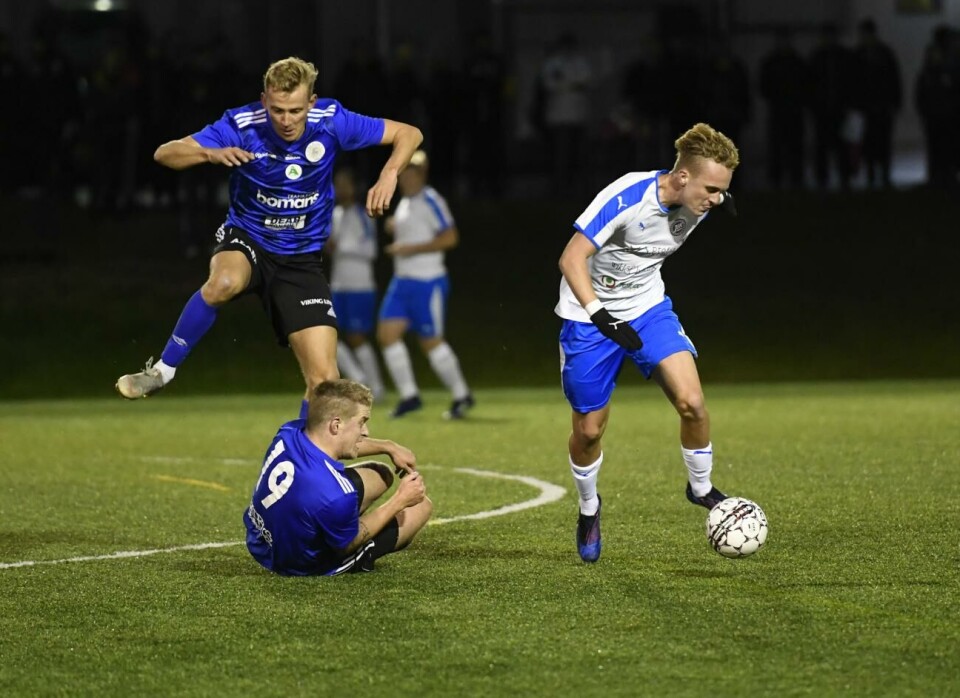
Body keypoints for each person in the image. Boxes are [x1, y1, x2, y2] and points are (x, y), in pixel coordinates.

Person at [115, 57, 423, 421]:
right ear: (264, 101)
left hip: (301, 259)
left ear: (312, 102)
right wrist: (208, 153)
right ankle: (162, 372)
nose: (287, 120)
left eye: (296, 110)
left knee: (325, 382)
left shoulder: (332, 121)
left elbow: (409, 133)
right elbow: (164, 153)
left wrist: (389, 174)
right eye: (277, 110)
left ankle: (302, 461)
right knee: (224, 282)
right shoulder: (241, 124)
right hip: (249, 240)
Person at [555, 122, 739, 563]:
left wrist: (716, 194)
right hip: (588, 316)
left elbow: (706, 194)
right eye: (711, 188)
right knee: (589, 431)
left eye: (723, 191)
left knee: (692, 402)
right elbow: (570, 258)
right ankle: (588, 508)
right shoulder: (627, 197)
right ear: (681, 177)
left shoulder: (699, 199)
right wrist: (601, 316)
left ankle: (700, 489)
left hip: (647, 307)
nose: (715, 200)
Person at [244, 379, 432, 576]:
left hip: (260, 541)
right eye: (362, 422)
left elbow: (337, 444)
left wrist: (388, 447)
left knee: (380, 474)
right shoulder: (336, 493)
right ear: (336, 425)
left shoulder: (289, 432)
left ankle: (334, 522)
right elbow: (347, 543)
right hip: (297, 564)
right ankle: (364, 555)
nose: (365, 431)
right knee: (421, 507)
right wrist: (399, 501)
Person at [377, 150, 474, 419]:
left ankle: (461, 394)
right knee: (387, 335)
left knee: (430, 341)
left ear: (422, 174)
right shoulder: (406, 202)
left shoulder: (431, 199)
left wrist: (412, 249)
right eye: (405, 171)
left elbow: (450, 237)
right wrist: (394, 226)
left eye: (414, 171)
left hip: (427, 281)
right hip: (402, 281)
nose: (408, 177)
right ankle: (409, 395)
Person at [327, 167, 386, 400]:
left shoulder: (364, 214)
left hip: (360, 284)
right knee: (331, 337)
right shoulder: (334, 214)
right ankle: (359, 381)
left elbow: (371, 250)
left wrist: (341, 247)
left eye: (345, 184)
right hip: (338, 283)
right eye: (337, 184)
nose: (341, 189)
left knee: (357, 336)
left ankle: (377, 386)